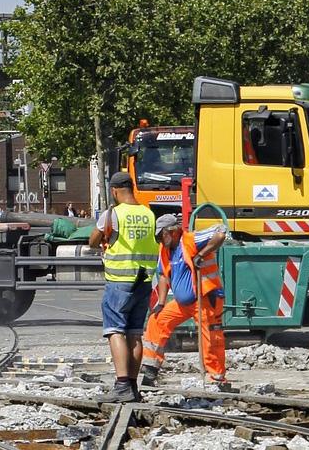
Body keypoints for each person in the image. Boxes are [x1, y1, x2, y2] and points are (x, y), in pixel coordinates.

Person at [138, 214, 229, 389]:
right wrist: (161, 302)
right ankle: (151, 368)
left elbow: (220, 233)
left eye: (160, 236)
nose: (158, 240)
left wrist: (201, 255)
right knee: (157, 320)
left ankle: (216, 377)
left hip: (204, 299)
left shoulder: (191, 240)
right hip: (183, 303)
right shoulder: (165, 250)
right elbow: (163, 275)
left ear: (171, 232)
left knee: (210, 337)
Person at [88, 172, 156, 403]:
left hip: (120, 282)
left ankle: (122, 384)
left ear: (115, 191)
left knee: (115, 330)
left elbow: (93, 240)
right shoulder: (148, 213)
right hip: (144, 281)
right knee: (135, 333)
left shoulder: (113, 214)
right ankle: (133, 387)